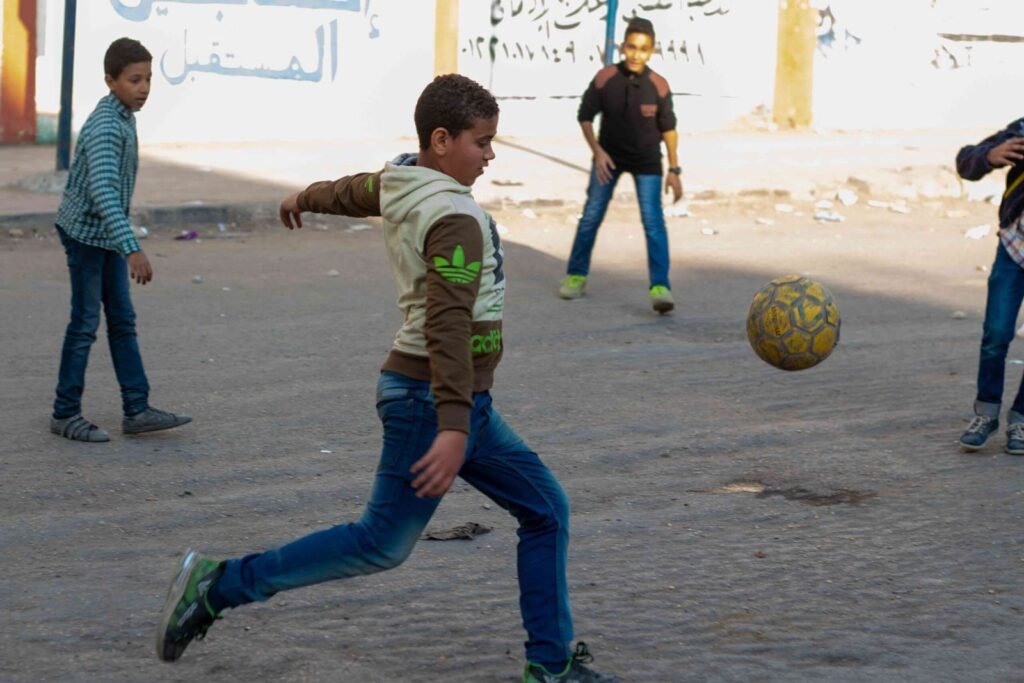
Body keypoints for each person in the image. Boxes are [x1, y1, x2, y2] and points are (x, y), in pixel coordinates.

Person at [155, 74, 618, 683]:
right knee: (379, 542)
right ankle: (219, 586)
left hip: (460, 405)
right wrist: (452, 429)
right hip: (432, 402)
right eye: (483, 142)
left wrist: (306, 196)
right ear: (442, 139)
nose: (491, 154)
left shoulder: (408, 179)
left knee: (546, 510)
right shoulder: (454, 216)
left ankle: (551, 665)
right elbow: (448, 324)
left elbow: (359, 190)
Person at [50, 38, 191, 443]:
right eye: (134, 80)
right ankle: (64, 413)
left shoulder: (123, 112)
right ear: (111, 81)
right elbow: (104, 192)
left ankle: (137, 408)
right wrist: (131, 247)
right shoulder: (108, 126)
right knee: (85, 324)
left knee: (123, 321)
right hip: (86, 236)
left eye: (148, 79)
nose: (144, 88)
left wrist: (122, 242)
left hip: (105, 234)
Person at [558, 16, 683, 315]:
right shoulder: (605, 79)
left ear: (652, 51)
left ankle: (660, 287)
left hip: (647, 162)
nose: (637, 54)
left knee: (653, 223)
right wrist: (597, 151)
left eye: (644, 49)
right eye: (632, 47)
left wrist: (675, 170)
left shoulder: (659, 85)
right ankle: (576, 276)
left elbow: (669, 130)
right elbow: (585, 116)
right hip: (608, 160)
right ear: (623, 46)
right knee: (590, 216)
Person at [956, 118, 1024, 454]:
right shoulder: (1023, 130)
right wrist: (989, 156)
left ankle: (1021, 419)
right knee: (996, 333)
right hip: (1015, 248)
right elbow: (966, 161)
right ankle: (986, 414)